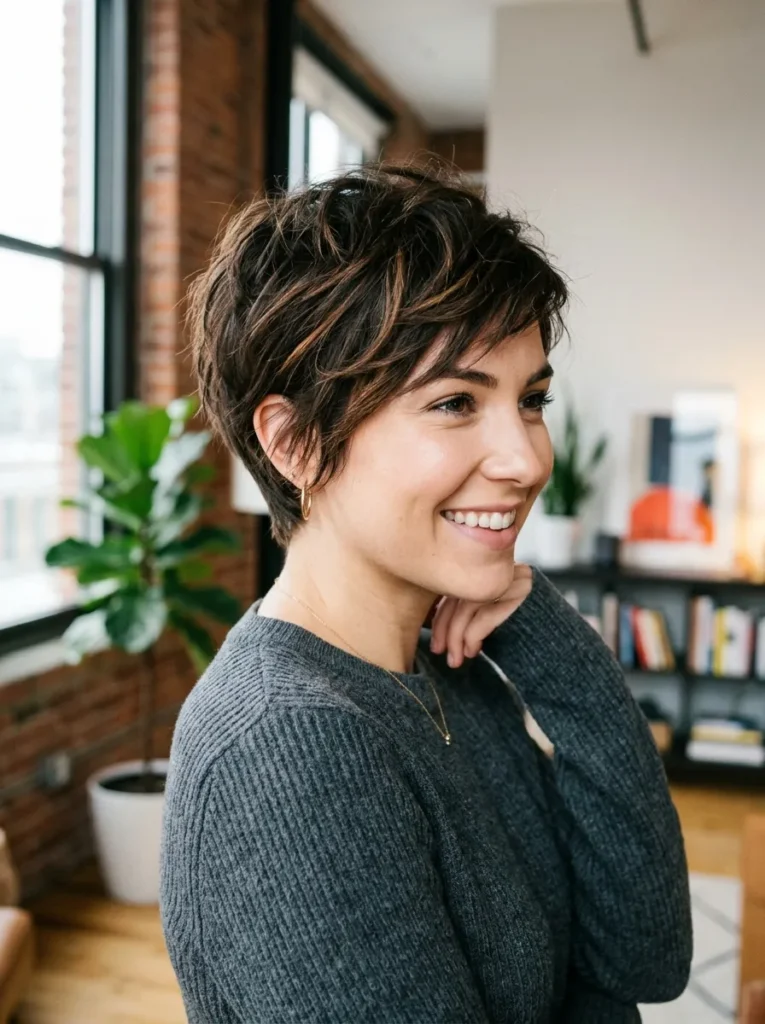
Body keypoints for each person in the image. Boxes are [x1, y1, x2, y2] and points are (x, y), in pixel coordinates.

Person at [159, 163, 692, 1023]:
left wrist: (547, 640)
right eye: (453, 402)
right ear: (295, 443)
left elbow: (644, 955)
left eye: (530, 400)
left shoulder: (442, 666)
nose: (526, 460)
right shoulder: (290, 748)